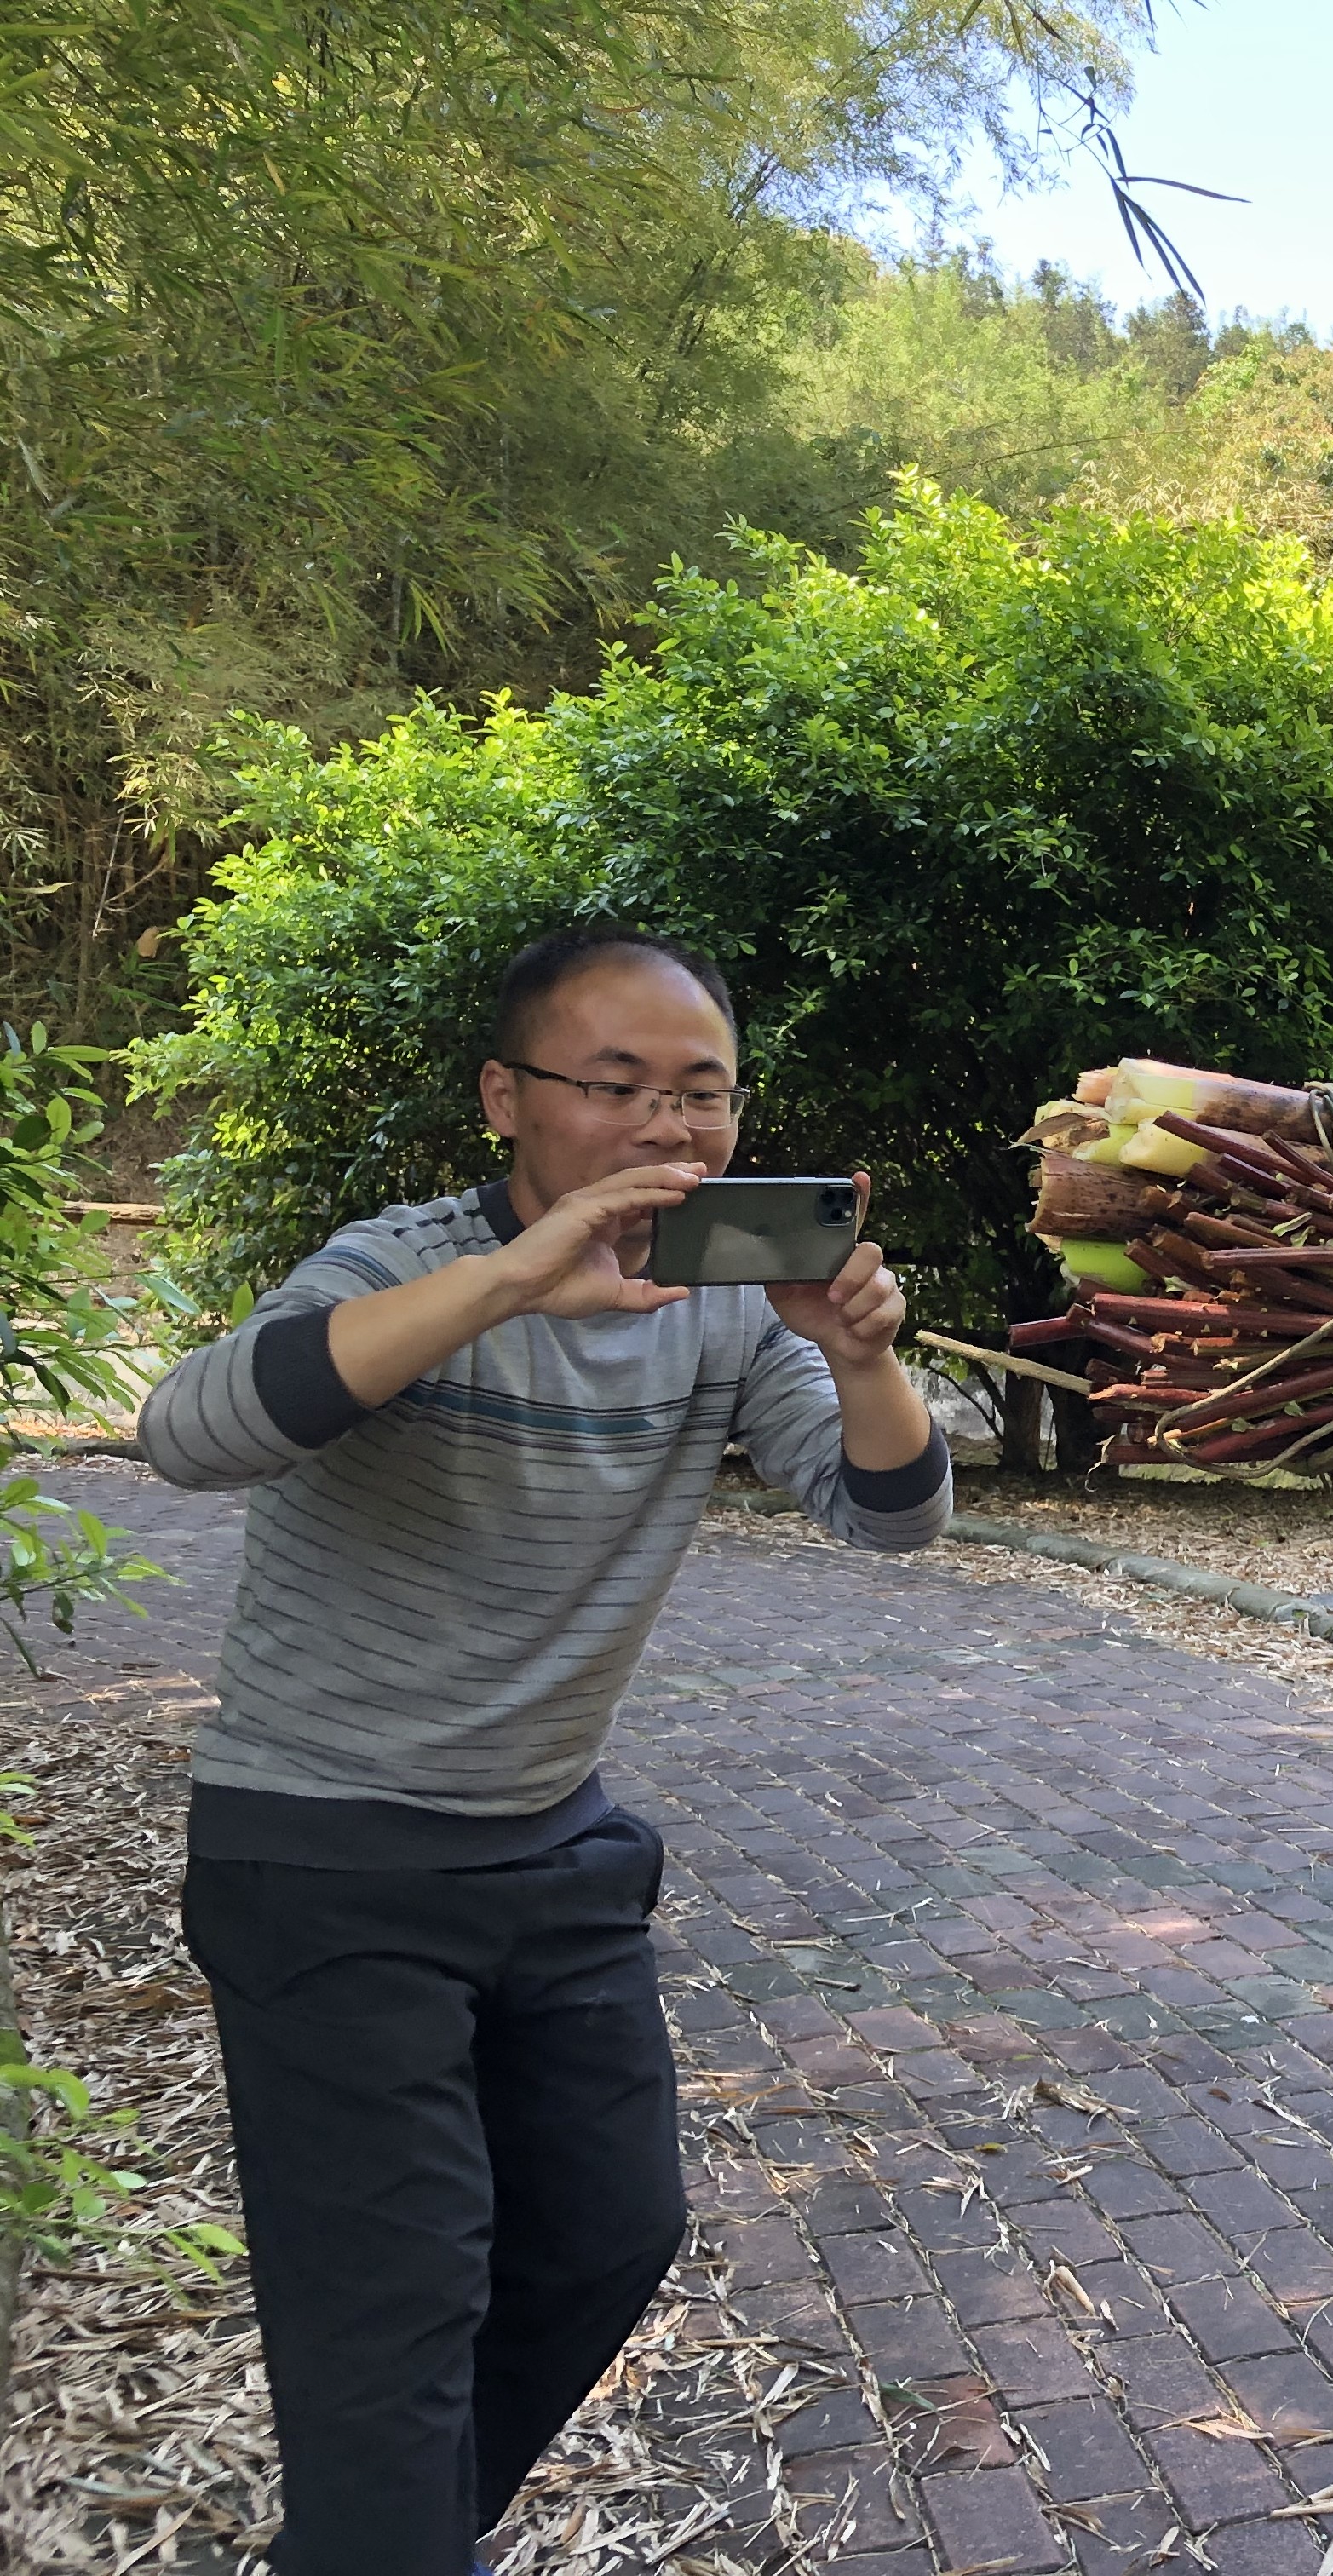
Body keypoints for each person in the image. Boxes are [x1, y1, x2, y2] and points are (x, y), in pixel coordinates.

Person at [138, 926, 951, 2576]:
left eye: (704, 1093)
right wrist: (512, 1282)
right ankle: (384, 2533)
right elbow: (186, 1434)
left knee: (604, 2234)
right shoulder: (401, 1266)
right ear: (507, 1100)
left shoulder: (725, 1312)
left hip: (547, 1849)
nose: (669, 1128)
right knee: (398, 2306)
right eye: (618, 1086)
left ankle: (381, 2537)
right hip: (326, 1856)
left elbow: (895, 1514)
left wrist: (861, 1356)